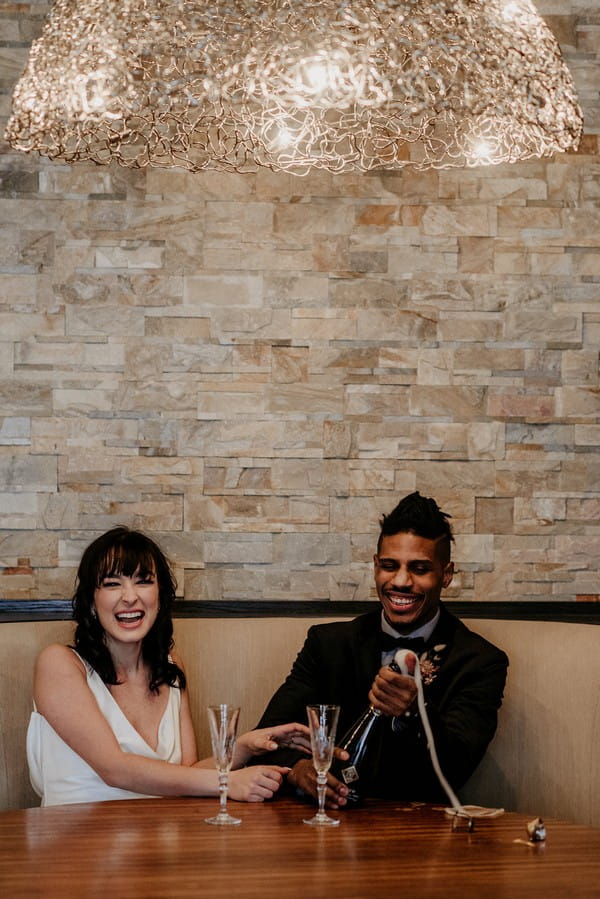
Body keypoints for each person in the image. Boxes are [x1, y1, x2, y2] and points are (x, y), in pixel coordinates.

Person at [250, 491, 509, 808]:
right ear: (375, 567)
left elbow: (456, 768)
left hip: (419, 835)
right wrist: (298, 770)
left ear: (447, 574)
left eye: (419, 568)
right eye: (389, 565)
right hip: (322, 828)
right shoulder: (327, 644)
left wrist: (415, 712)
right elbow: (265, 738)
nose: (401, 580)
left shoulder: (480, 661)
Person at [27, 526, 310, 807]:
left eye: (143, 581)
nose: (129, 597)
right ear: (91, 600)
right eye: (112, 584)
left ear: (160, 596)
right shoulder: (59, 663)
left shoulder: (171, 668)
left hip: (158, 837)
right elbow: (114, 769)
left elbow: (185, 778)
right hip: (71, 840)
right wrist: (227, 782)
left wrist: (245, 747)